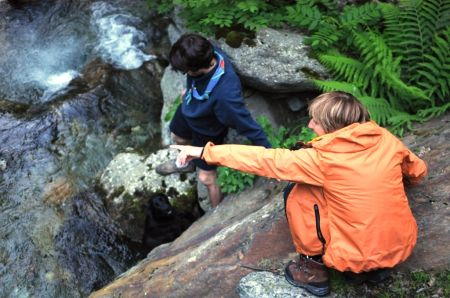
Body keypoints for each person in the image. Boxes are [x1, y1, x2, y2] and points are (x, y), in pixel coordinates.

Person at [170, 91, 427, 296]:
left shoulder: (322, 160)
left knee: (299, 193)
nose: (310, 124)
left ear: (332, 128)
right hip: (399, 247)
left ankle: (313, 272)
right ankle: (374, 271)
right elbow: (418, 172)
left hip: (355, 258)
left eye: (316, 120)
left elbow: (262, 159)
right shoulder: (385, 139)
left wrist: (204, 152)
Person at [156, 33, 271, 208]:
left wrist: (272, 155)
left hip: (208, 130)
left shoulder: (226, 95)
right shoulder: (208, 53)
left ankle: (216, 211)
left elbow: (246, 124)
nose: (185, 74)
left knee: (206, 178)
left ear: (196, 69)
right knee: (177, 136)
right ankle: (188, 164)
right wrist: (188, 90)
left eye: (186, 71)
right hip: (190, 108)